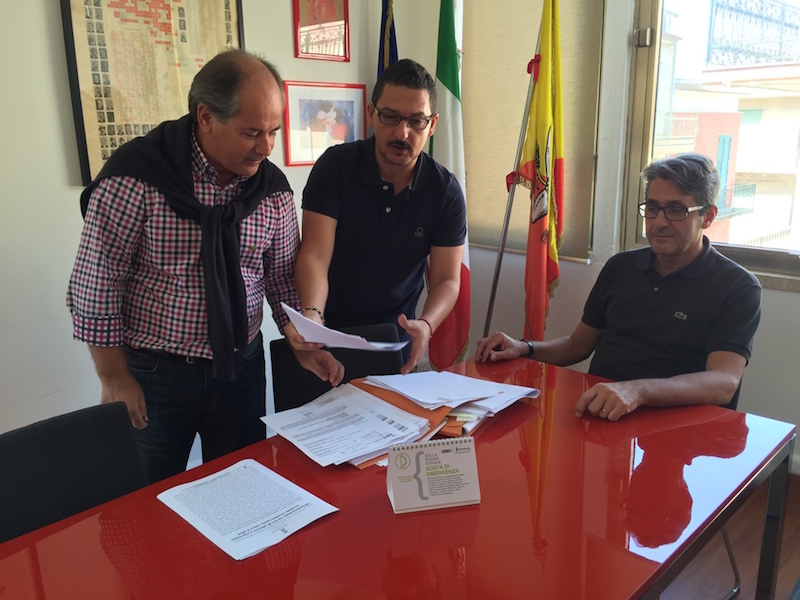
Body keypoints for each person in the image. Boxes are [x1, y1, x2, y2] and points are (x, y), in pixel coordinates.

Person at [67, 50, 343, 483]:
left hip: (241, 369)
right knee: (146, 497)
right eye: (251, 132)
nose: (266, 147)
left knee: (241, 489)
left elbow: (280, 280)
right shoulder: (136, 178)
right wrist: (115, 378)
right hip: (156, 374)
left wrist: (301, 340)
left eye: (273, 131)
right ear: (206, 116)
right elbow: (96, 286)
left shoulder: (271, 189)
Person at [477, 153, 761, 421]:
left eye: (676, 210)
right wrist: (524, 347)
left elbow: (724, 381)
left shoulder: (737, 286)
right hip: (602, 413)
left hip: (679, 425)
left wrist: (638, 390)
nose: (659, 222)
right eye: (652, 208)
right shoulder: (620, 267)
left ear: (708, 216)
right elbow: (577, 345)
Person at [293, 58, 467, 374]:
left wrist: (426, 324)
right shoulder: (335, 168)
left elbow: (446, 279)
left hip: (396, 339)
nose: (402, 132)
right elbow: (315, 255)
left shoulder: (445, 191)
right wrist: (313, 314)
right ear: (372, 114)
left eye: (416, 121)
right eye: (390, 117)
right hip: (329, 330)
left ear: (432, 125)